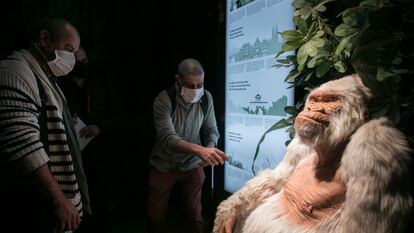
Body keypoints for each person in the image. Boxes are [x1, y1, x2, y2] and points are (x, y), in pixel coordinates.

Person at [213, 74, 413, 233]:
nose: (313, 109)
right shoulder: (303, 147)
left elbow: (370, 225)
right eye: (313, 100)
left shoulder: (370, 152)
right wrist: (232, 208)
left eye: (331, 100)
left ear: (360, 113)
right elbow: (273, 182)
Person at [0, 17, 90, 233]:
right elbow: (24, 144)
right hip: (32, 201)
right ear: (44, 38)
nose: (71, 60)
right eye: (68, 50)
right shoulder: (14, 72)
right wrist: (59, 199)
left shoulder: (46, 78)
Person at [148, 58, 229, 233]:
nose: (196, 90)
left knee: (195, 217)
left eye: (200, 85)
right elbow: (168, 138)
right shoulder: (164, 100)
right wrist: (202, 150)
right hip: (163, 165)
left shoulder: (206, 97)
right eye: (190, 85)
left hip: (192, 164)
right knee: (156, 217)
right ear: (178, 80)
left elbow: (211, 130)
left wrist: (210, 147)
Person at [58, 46, 124, 232]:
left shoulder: (101, 82)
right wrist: (65, 120)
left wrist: (99, 127)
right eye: (77, 62)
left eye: (84, 61)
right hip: (72, 155)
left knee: (101, 200)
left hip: (101, 154)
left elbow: (119, 116)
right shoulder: (61, 85)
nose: (82, 65)